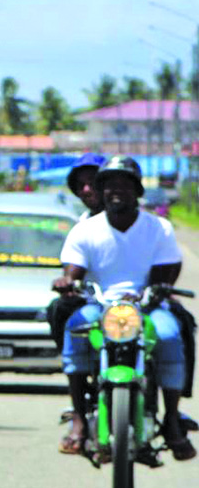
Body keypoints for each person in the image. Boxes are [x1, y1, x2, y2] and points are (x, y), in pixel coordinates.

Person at [51, 156, 196, 462]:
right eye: (108, 185)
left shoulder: (159, 228)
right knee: (76, 329)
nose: (115, 191)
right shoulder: (85, 230)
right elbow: (72, 269)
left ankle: (171, 419)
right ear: (101, 192)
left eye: (123, 184)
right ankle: (79, 418)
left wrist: (147, 295)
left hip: (145, 307)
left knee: (170, 334)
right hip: (100, 307)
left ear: (137, 190)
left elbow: (165, 275)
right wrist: (67, 281)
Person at [46, 153, 107, 354]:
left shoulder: (143, 224)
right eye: (81, 185)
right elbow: (72, 269)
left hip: (134, 304)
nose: (87, 190)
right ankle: (76, 374)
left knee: (176, 324)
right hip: (96, 304)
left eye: (93, 182)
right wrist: (67, 283)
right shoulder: (81, 228)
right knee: (60, 309)